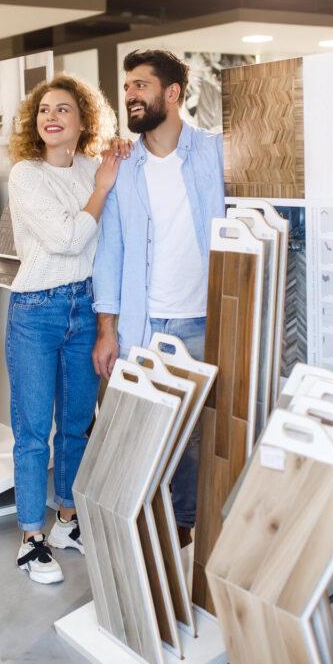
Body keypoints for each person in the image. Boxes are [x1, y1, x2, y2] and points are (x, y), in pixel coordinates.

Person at [91, 50, 225, 546]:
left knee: (193, 439)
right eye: (127, 86)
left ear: (172, 93)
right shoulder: (122, 166)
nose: (130, 95)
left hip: (202, 319)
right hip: (141, 326)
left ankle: (184, 533)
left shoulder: (214, 152)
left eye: (141, 85)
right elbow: (110, 250)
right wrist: (107, 328)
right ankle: (138, 533)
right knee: (135, 432)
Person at [5, 74, 127, 584]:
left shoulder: (91, 169)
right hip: (36, 310)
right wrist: (102, 187)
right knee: (34, 430)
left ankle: (67, 521)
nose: (50, 117)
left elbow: (104, 244)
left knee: (76, 424)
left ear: (83, 122)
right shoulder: (25, 174)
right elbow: (67, 240)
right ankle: (32, 537)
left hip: (84, 308)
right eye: (43, 111)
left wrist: (106, 173)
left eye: (63, 110)